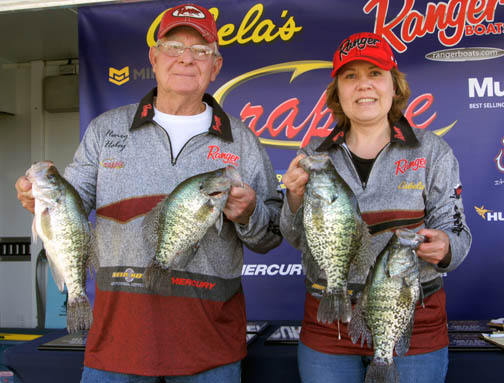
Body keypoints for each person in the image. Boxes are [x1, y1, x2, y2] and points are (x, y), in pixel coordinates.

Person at [15, 3, 282, 382]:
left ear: (215, 66)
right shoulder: (105, 130)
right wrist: (39, 199)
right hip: (116, 344)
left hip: (209, 348)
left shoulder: (242, 140)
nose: (186, 59)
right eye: (174, 47)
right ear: (154, 59)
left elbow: (272, 234)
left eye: (201, 50)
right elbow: (71, 202)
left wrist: (248, 215)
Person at [280, 32, 471, 382]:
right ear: (337, 91)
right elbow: (295, 238)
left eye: (375, 73)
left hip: (410, 323)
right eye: (350, 76)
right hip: (329, 325)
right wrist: (293, 198)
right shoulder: (313, 157)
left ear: (394, 86)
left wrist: (445, 246)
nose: (363, 85)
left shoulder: (431, 151)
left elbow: (456, 232)